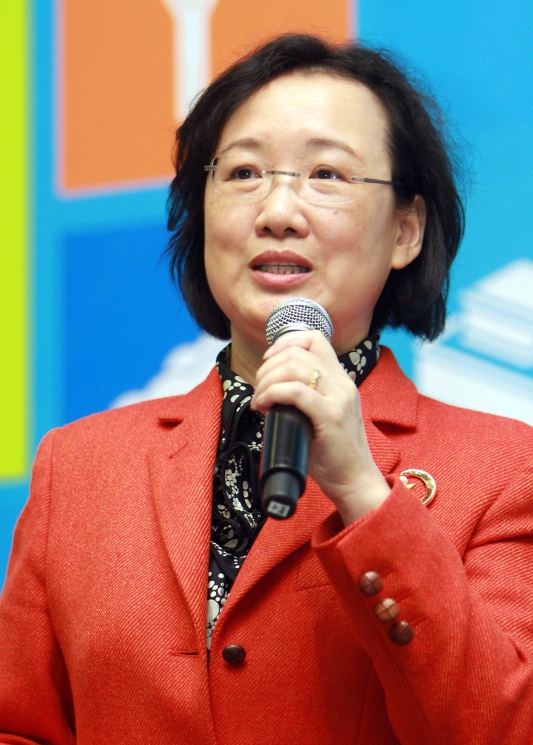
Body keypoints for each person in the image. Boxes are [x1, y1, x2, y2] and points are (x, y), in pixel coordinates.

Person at [0, 33, 532, 745]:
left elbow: (502, 726)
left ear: (405, 230)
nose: (278, 210)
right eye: (244, 172)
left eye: (327, 174)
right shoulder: (79, 466)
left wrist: (363, 493)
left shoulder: (504, 469)